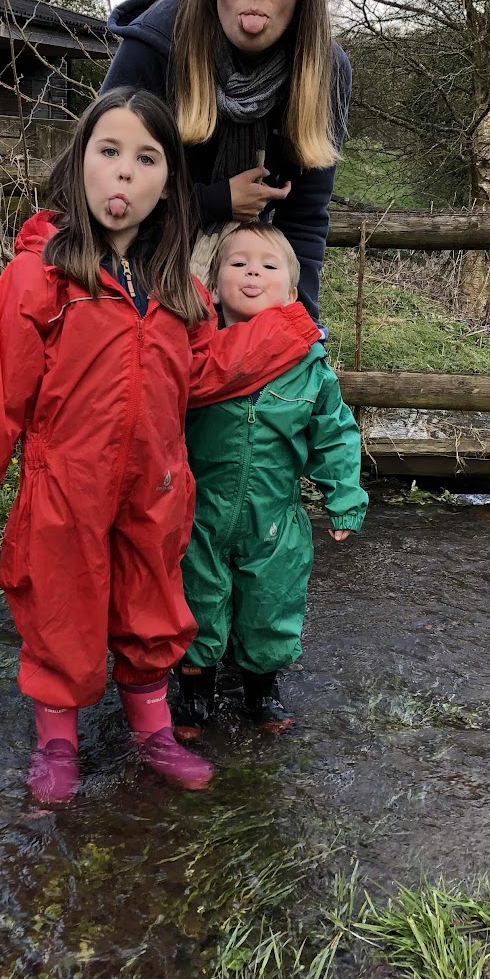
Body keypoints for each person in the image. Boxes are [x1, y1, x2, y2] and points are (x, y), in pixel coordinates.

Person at [0, 89, 320, 805]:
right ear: (79, 166)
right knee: (61, 610)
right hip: (65, 485)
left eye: (147, 159)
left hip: (157, 487)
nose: (124, 175)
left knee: (151, 606)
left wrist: (286, 331)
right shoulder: (41, 276)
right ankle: (57, 741)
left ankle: (152, 730)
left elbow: (206, 372)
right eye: (109, 153)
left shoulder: (178, 289)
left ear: (170, 183)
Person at [102, 0, 350, 324]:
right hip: (132, 278)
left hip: (240, 295)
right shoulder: (155, 51)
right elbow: (101, 192)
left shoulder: (324, 73)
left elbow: (305, 219)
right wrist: (215, 201)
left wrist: (299, 334)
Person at [171, 222, 367, 738]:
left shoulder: (309, 366)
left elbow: (334, 433)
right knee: (197, 600)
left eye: (268, 264)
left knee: (270, 602)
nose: (252, 270)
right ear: (214, 286)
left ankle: (261, 691)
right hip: (201, 512)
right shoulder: (196, 355)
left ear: (291, 289)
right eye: (237, 263)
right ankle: (194, 694)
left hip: (274, 517)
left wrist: (343, 497)